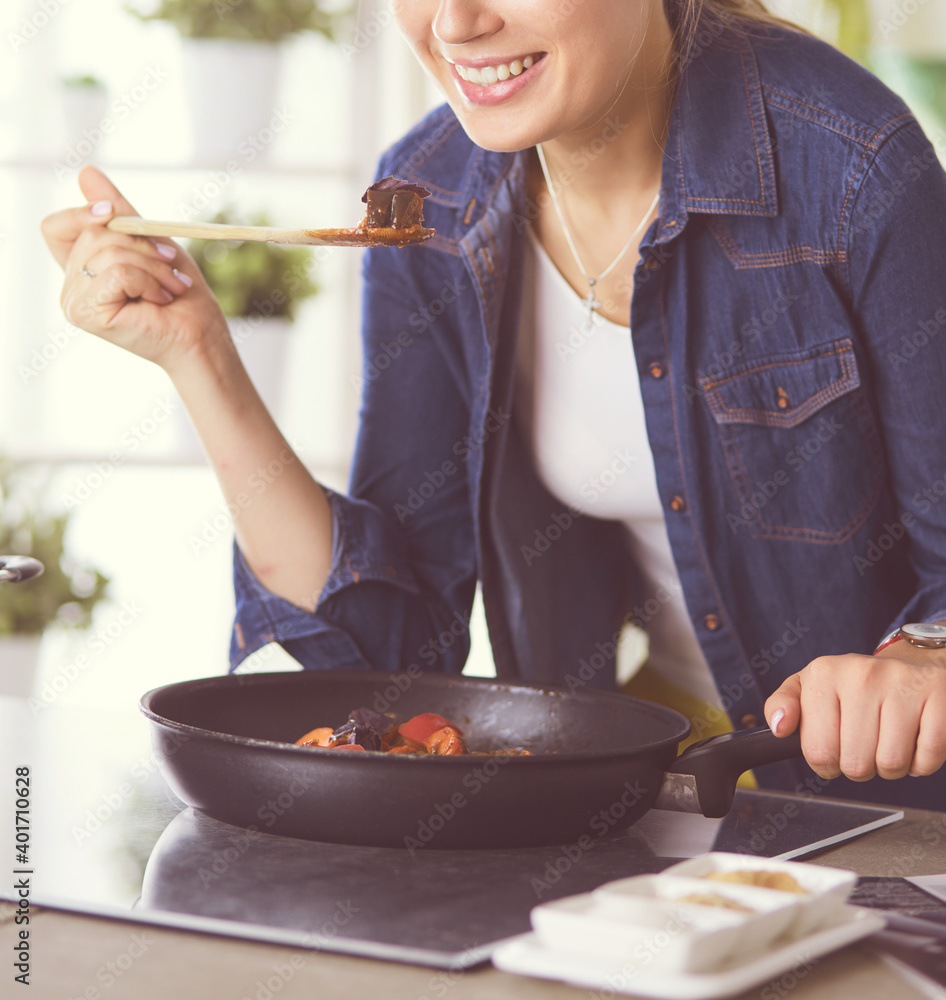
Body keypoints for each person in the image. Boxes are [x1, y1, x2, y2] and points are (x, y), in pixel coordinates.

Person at [42, 0, 946, 809]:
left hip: (873, 812)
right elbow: (388, 651)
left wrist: (921, 656)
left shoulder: (855, 167)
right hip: (644, 789)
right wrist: (198, 354)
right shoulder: (429, 200)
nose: (455, 23)